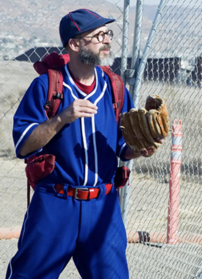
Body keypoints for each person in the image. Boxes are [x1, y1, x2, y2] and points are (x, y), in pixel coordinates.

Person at [6, 8, 153, 279]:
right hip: (56, 203)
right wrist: (63, 117)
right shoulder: (47, 86)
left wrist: (140, 149)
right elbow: (24, 146)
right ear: (74, 44)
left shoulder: (115, 87)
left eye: (107, 33)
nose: (107, 40)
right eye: (97, 35)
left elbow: (123, 147)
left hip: (103, 205)